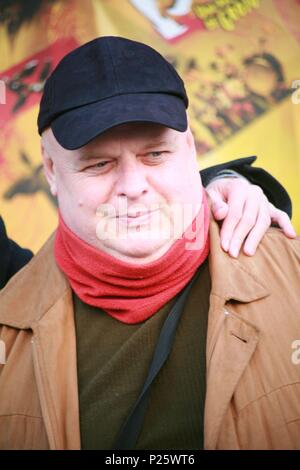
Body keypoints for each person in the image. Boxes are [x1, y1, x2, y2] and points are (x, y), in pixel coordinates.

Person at [0, 36, 299, 451]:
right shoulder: (9, 331)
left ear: (190, 148)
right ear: (50, 170)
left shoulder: (292, 272)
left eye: (155, 154)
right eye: (99, 163)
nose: (133, 187)